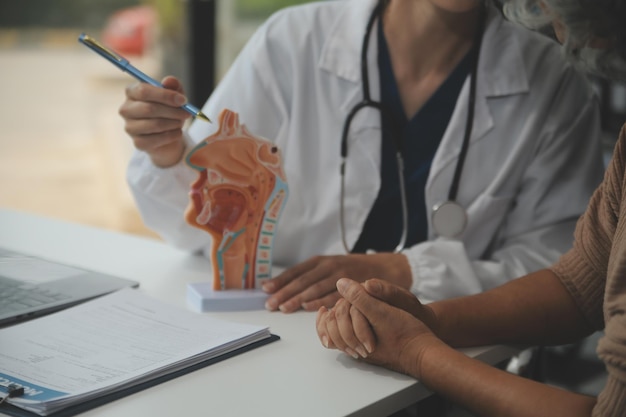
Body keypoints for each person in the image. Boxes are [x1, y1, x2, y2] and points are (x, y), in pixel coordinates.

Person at [119, 0, 603, 313]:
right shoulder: (293, 41)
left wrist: (408, 271)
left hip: (453, 359)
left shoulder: (555, 84)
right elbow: (199, 225)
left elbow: (565, 270)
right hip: (283, 330)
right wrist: (168, 154)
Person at [316, 1, 626, 415]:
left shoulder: (550, 74)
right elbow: (580, 282)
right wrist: (429, 319)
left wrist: (417, 350)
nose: (555, 28)